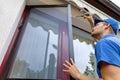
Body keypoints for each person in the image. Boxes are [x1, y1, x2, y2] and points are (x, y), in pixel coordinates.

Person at [63, 12, 120, 80]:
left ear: (106, 25)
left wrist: (78, 75)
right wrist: (91, 21)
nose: (94, 27)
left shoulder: (105, 43)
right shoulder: (114, 42)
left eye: (97, 25)